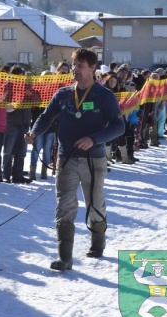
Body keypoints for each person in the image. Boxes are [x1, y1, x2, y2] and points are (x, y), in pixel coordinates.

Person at [25, 48, 124, 271]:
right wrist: (34, 132)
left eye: (81, 66)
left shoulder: (104, 95)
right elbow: (46, 117)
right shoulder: (63, 94)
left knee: (94, 204)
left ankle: (98, 243)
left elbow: (119, 126)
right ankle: (64, 258)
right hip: (66, 158)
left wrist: (94, 139)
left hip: (93, 160)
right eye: (74, 65)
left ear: (93, 68)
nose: (75, 70)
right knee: (64, 205)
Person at [2, 66, 33, 184]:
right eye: (18, 77)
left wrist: (30, 94)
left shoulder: (27, 86)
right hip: (12, 122)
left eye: (22, 77)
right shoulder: (7, 86)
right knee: (8, 151)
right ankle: (6, 175)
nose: (20, 79)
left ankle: (18, 175)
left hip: (25, 122)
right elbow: (3, 101)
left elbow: (37, 99)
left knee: (22, 152)